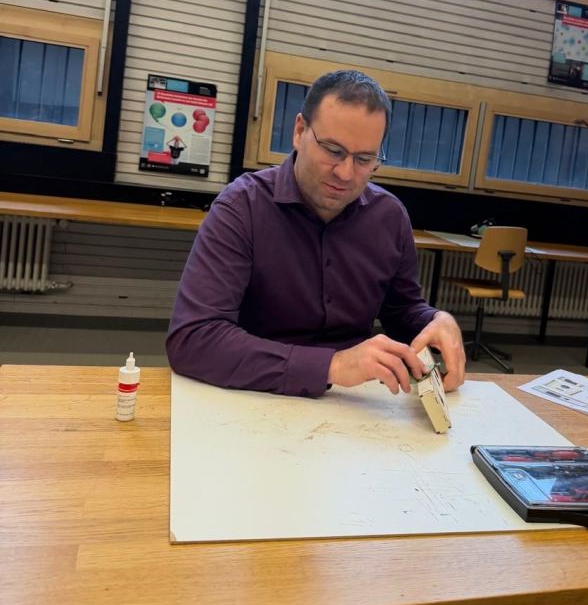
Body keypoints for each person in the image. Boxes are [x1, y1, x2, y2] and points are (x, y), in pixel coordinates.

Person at [166, 69, 465, 398]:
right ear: (299, 131)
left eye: (364, 159)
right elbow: (193, 339)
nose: (345, 173)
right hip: (253, 394)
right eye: (333, 150)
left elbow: (401, 311)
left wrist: (435, 320)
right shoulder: (242, 208)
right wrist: (332, 366)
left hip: (351, 403)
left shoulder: (389, 217)